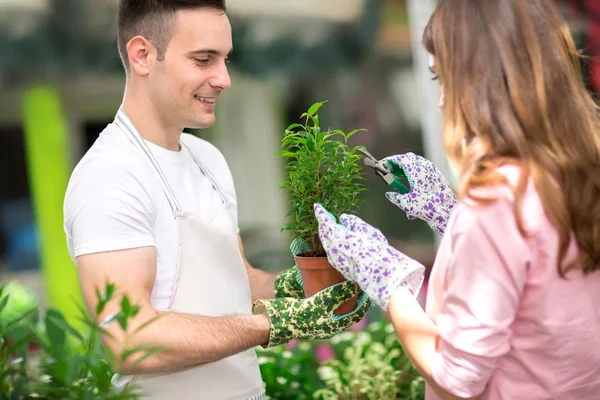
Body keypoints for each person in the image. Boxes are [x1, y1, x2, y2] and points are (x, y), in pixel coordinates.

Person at [63, 1, 370, 399]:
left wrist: (296, 287)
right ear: (142, 56)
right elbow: (131, 341)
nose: (224, 78)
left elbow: (237, 280)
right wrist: (273, 325)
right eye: (203, 59)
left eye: (224, 59)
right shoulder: (109, 176)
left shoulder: (207, 159)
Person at [312, 0, 600, 399]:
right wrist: (449, 215)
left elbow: (456, 379)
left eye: (443, 77)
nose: (443, 101)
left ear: (484, 79)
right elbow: (536, 282)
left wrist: (385, 276)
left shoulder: (499, 201)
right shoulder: (578, 171)